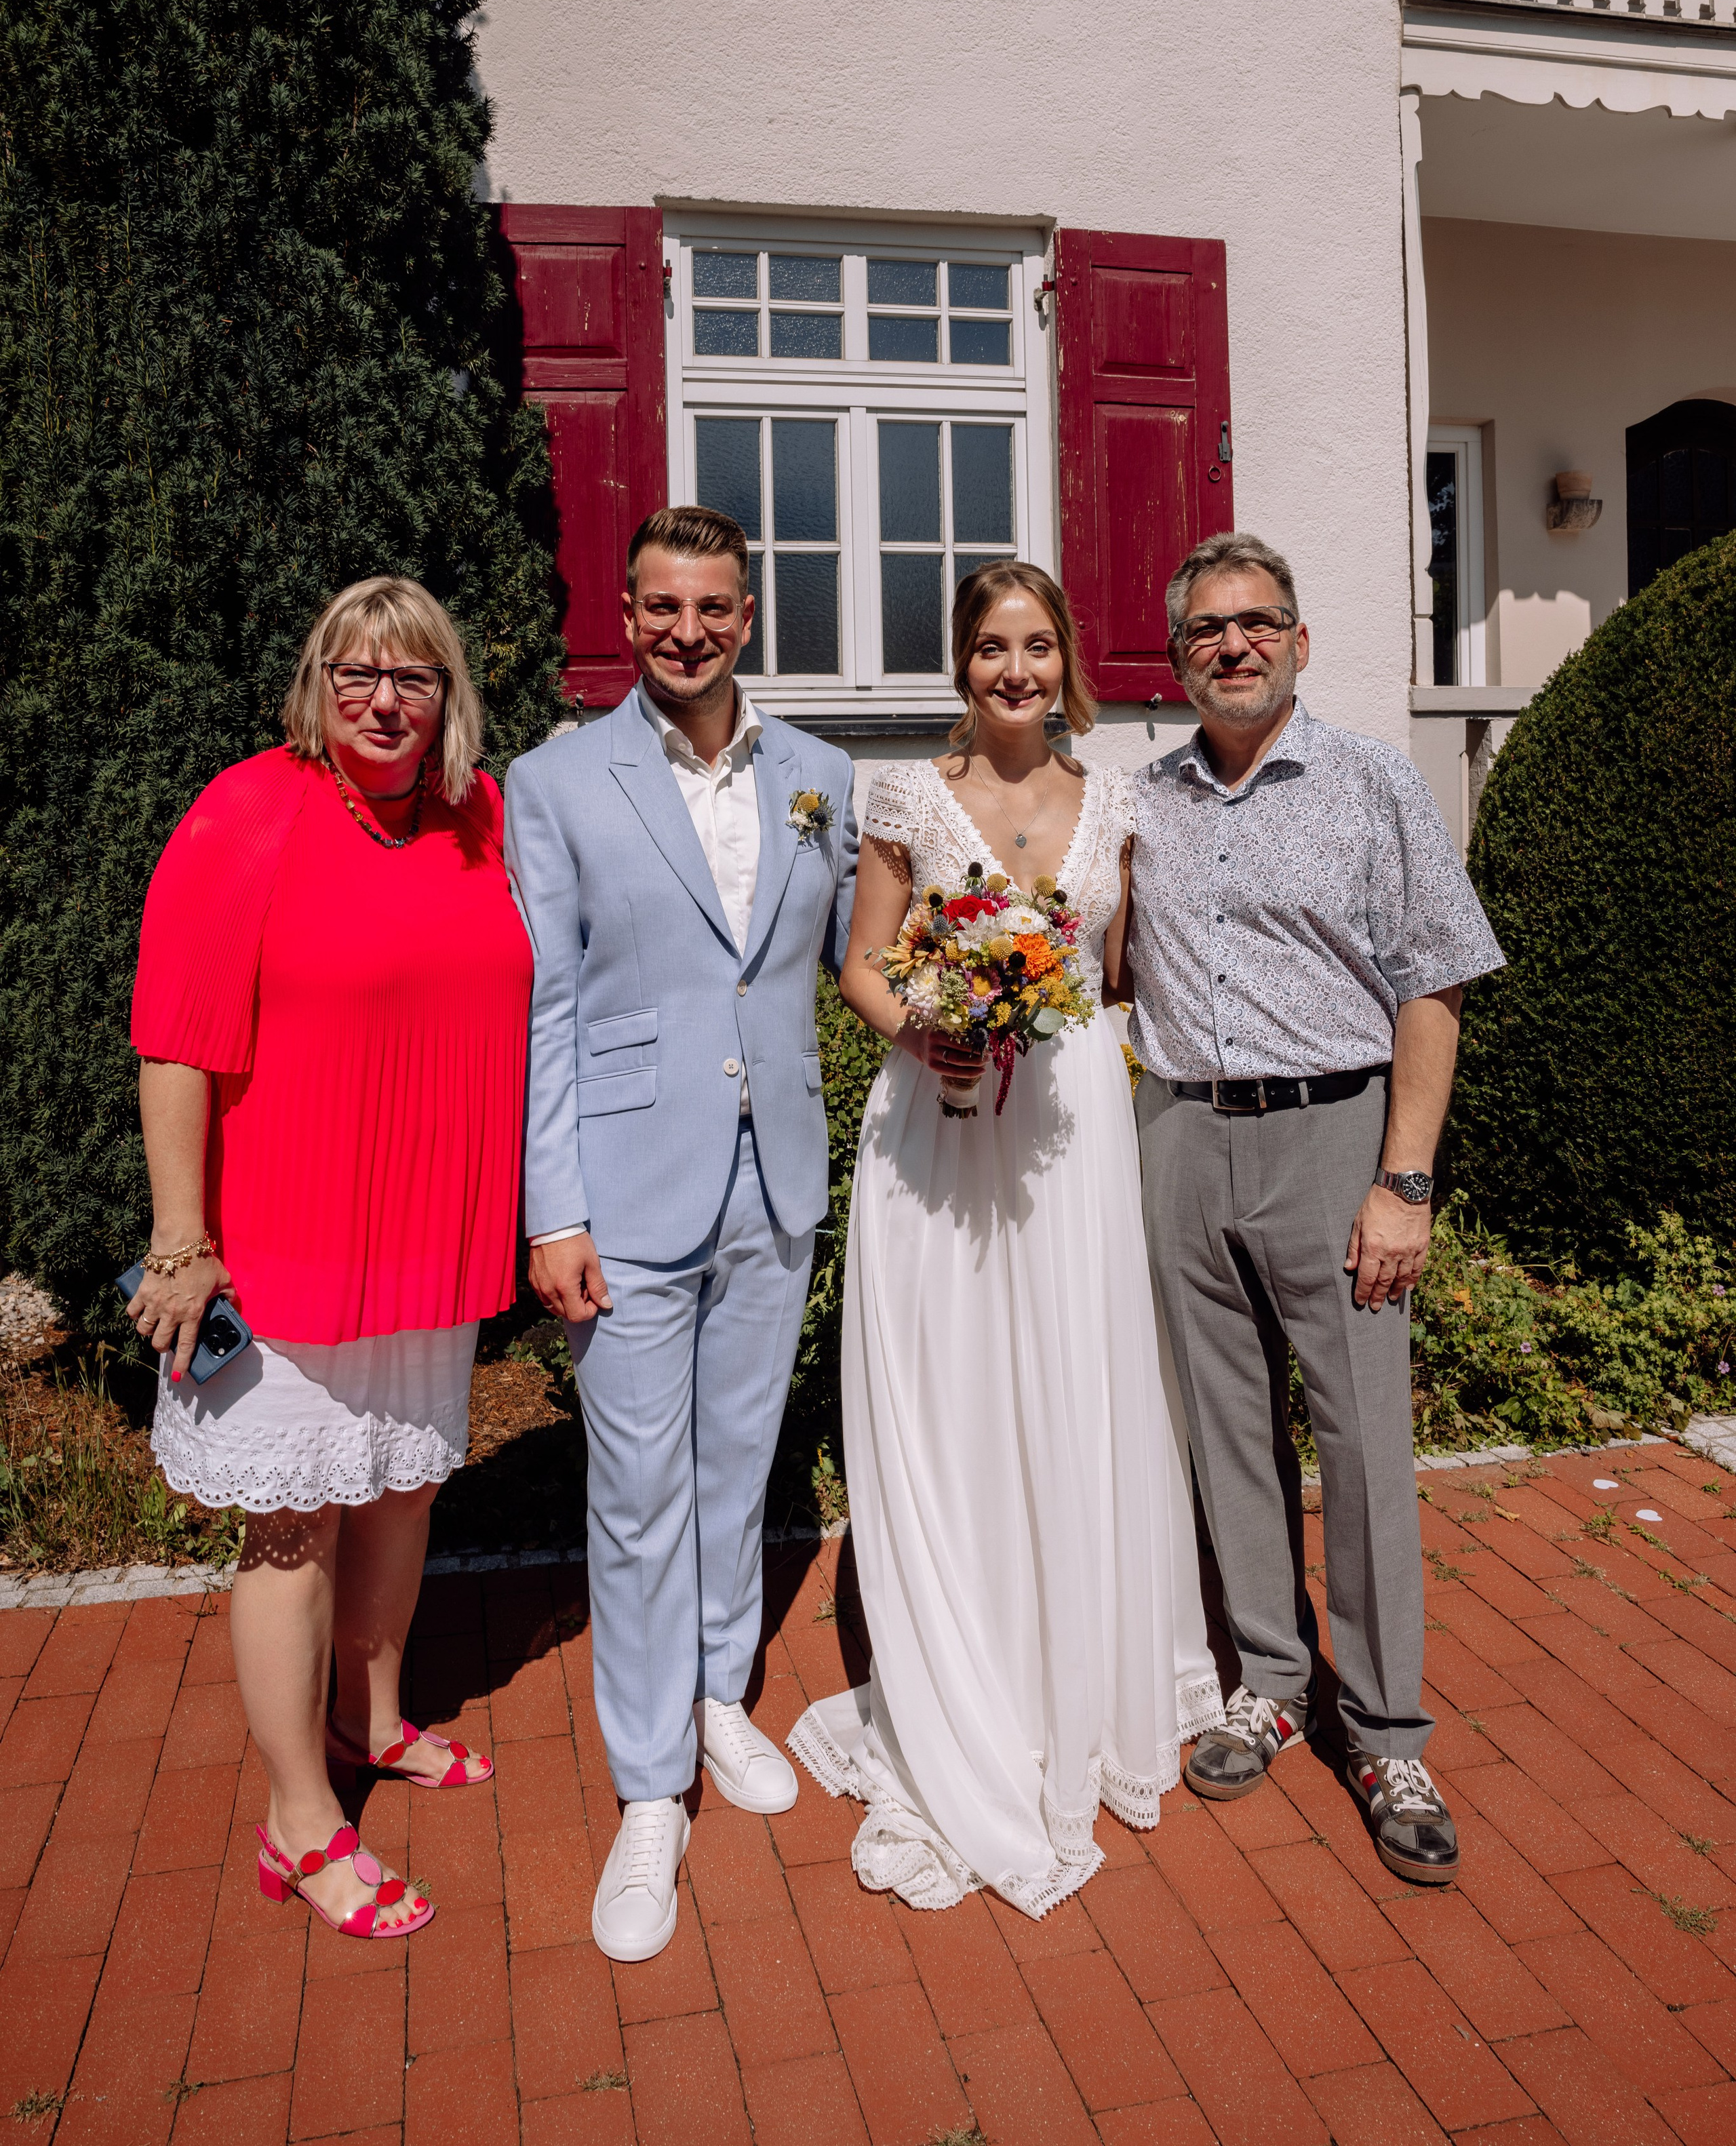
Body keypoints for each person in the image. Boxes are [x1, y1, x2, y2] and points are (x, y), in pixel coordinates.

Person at [788, 560, 1223, 1918]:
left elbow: (1120, 973)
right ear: (959, 664)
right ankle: (968, 1660)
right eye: (989, 648)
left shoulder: (1122, 801)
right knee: (958, 1388)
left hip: (1074, 1127)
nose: (1014, 670)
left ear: (1067, 655)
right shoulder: (906, 798)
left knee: (1077, 1381)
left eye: (1036, 645)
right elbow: (859, 958)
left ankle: (1075, 1663)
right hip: (940, 1120)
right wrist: (921, 1027)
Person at [128, 577, 528, 1941]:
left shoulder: (479, 819)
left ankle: (368, 1721)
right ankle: (300, 1824)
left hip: (430, 1236)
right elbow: (175, 1035)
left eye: (410, 676)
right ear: (316, 682)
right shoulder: (251, 805)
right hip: (288, 1248)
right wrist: (185, 1237)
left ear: (447, 694)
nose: (380, 698)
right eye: (354, 672)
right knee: (292, 1524)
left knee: (404, 1490)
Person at [505, 503, 859, 1965]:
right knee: (636, 1489)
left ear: (747, 615)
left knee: (733, 1464)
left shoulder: (821, 777)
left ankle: (720, 1689)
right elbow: (541, 1005)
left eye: (712, 605)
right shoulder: (556, 777)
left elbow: (858, 961)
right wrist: (554, 1208)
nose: (687, 629)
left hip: (770, 1173)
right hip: (625, 1191)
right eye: (661, 606)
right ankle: (650, 1783)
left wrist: (986, 1009)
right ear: (629, 615)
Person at [1126, 530, 1503, 1886]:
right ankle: (1270, 1680)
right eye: (1204, 630)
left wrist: (1402, 1179)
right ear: (1174, 660)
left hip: (1333, 1134)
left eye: (1255, 622)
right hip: (1175, 1133)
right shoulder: (1144, 797)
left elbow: (1433, 982)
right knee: (1222, 1431)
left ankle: (1388, 1726)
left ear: (1297, 640)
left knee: (1356, 1444)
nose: (1231, 644)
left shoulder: (1370, 784)